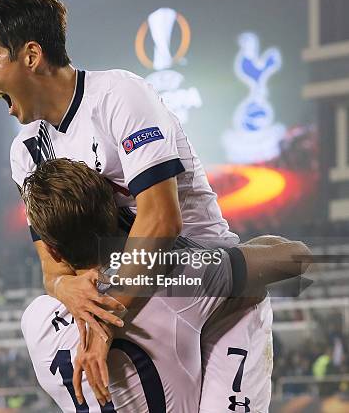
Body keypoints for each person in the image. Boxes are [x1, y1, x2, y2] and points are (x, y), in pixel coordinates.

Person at [0, 0, 271, 410]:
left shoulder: (119, 97)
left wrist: (105, 320)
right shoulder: (25, 153)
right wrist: (66, 286)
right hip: (137, 301)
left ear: (30, 56)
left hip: (211, 294)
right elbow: (53, 267)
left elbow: (161, 221)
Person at [20, 159, 311, 412]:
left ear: (53, 251)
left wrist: (59, 283)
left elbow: (53, 280)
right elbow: (295, 258)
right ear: (118, 216)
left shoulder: (35, 322)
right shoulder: (171, 283)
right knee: (250, 297)